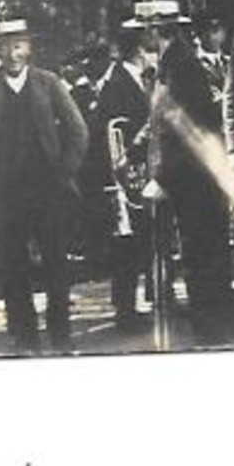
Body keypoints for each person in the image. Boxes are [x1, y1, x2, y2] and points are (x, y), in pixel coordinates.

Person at [0, 18, 89, 354]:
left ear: (29, 48)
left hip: (49, 190)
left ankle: (62, 337)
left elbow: (78, 132)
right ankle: (25, 338)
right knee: (13, 267)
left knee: (55, 265)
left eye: (18, 46)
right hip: (6, 194)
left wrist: (63, 173)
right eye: (5, 47)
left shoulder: (49, 83)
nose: (12, 54)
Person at [136, 0, 234, 344]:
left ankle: (213, 334)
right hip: (194, 180)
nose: (141, 39)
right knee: (203, 258)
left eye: (143, 31)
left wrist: (161, 179)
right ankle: (217, 328)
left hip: (196, 182)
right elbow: (161, 121)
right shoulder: (174, 64)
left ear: (156, 30)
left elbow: (188, 130)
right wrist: (134, 151)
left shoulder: (181, 67)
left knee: (203, 260)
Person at [89, 22, 154, 329]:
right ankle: (125, 311)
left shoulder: (135, 78)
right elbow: (111, 131)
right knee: (127, 245)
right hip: (125, 177)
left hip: (137, 173)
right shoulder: (116, 83)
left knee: (138, 241)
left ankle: (132, 306)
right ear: (141, 50)